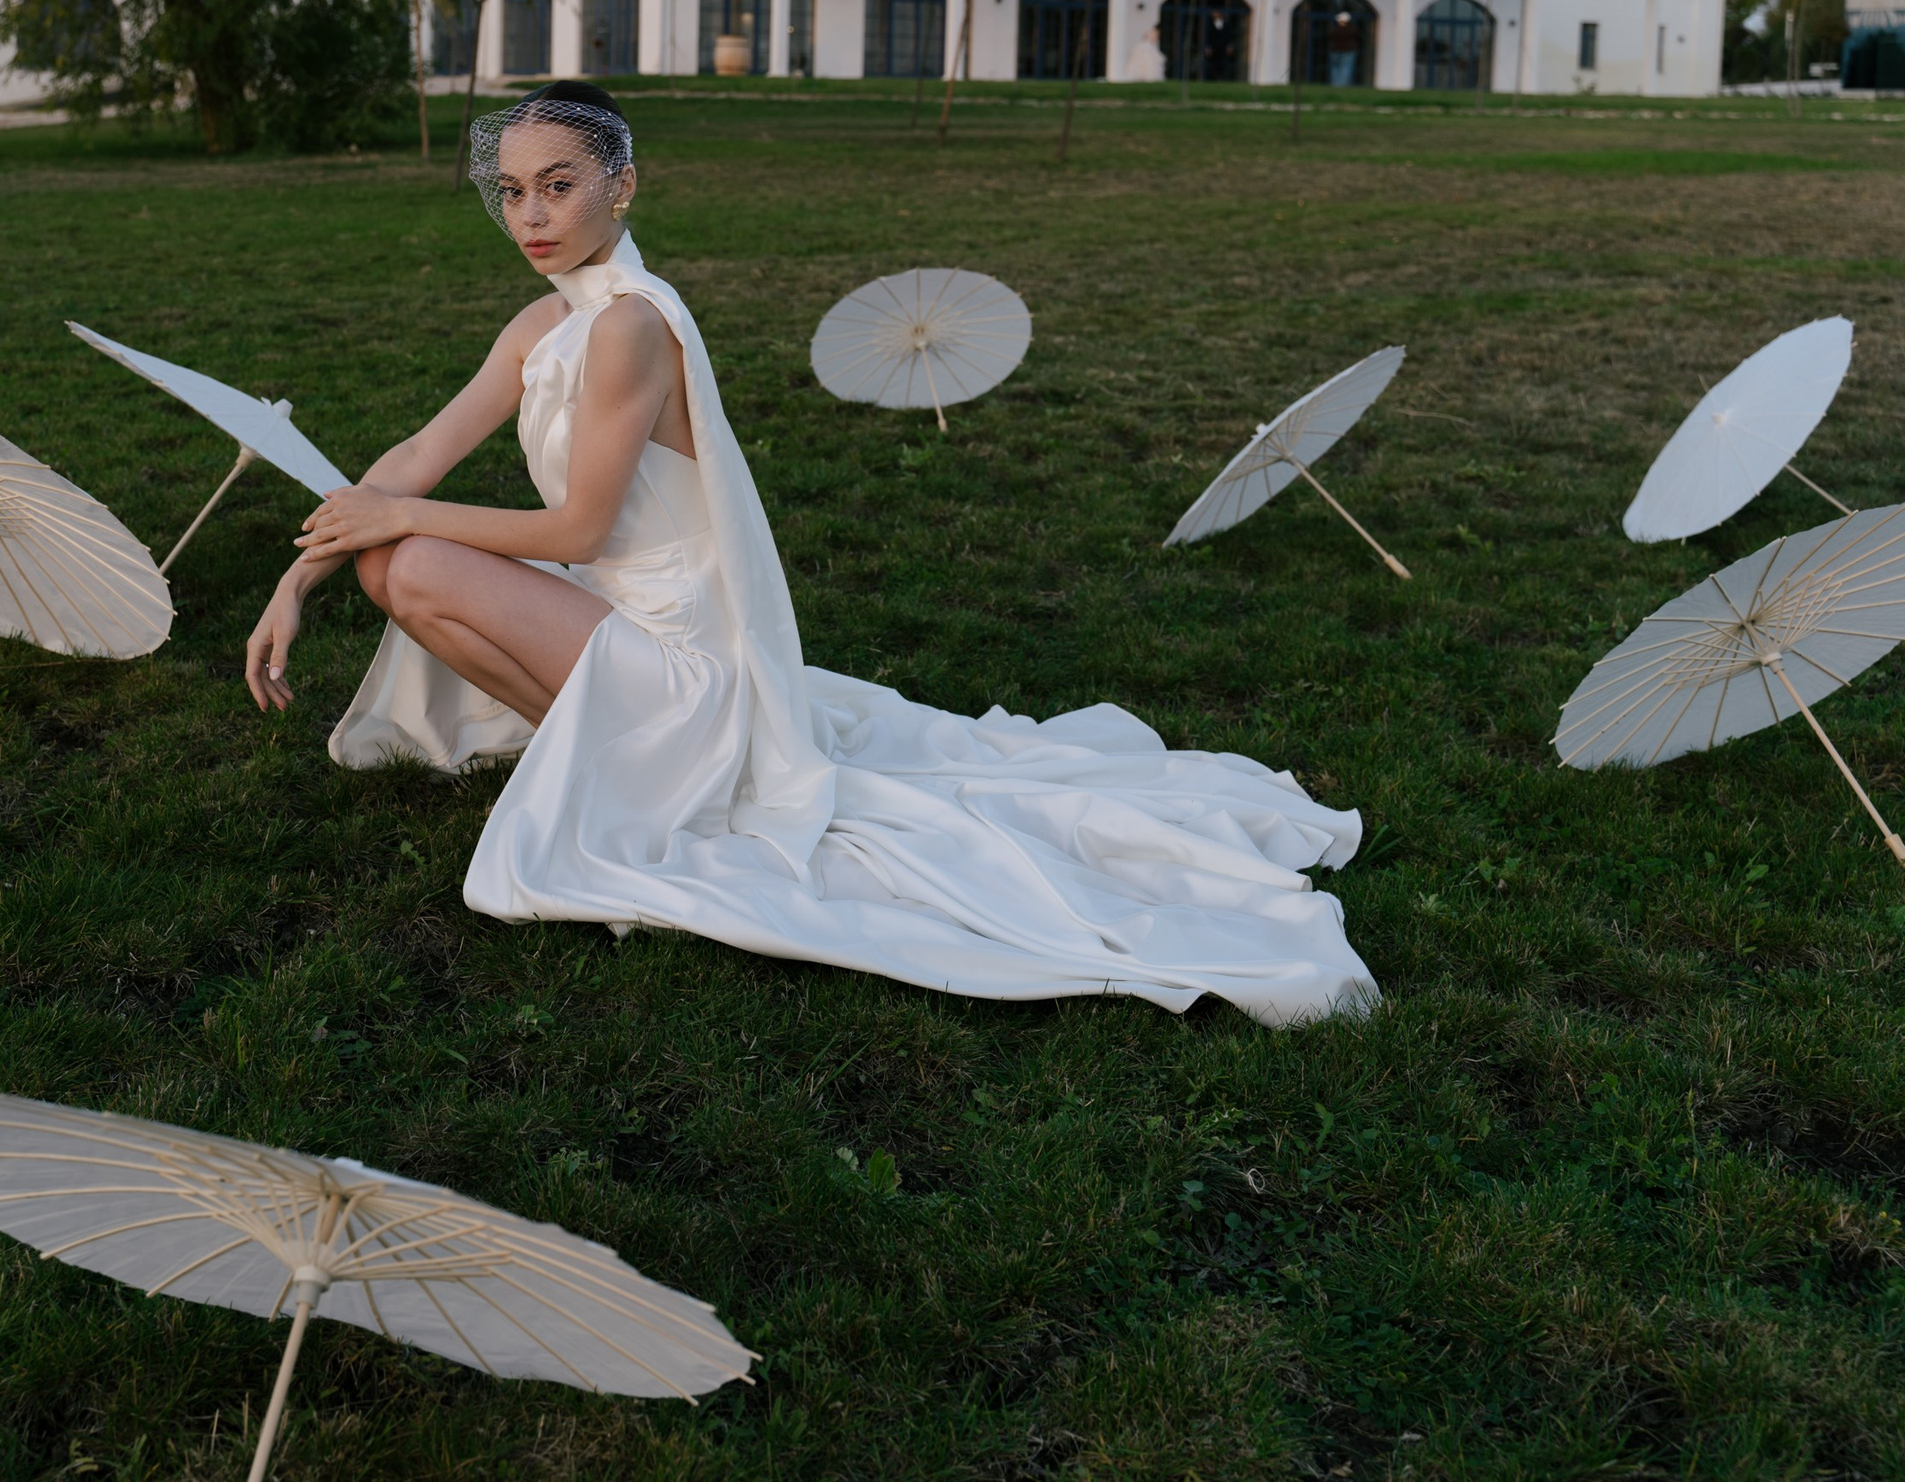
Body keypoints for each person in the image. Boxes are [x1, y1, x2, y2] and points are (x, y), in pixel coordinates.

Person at [245, 81, 1377, 1026]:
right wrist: (304, 574)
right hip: (618, 628)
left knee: (416, 562)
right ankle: (601, 757)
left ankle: (645, 768)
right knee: (396, 562)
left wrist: (399, 524)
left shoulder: (632, 323)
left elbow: (576, 532)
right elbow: (418, 454)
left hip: (687, 662)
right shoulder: (542, 323)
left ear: (621, 187)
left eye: (558, 186)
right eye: (510, 192)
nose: (530, 216)